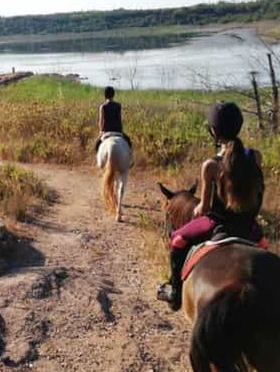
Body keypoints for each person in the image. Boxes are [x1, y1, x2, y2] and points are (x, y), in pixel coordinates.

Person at [158, 102, 265, 311]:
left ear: (214, 132)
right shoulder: (256, 157)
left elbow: (205, 209)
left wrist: (197, 209)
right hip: (249, 227)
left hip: (218, 225)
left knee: (177, 240)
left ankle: (175, 292)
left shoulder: (211, 166)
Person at [95, 86, 132, 152]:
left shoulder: (103, 106)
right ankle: (130, 160)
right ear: (113, 95)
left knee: (97, 145)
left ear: (105, 95)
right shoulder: (118, 105)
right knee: (129, 142)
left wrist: (101, 131)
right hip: (118, 130)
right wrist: (121, 130)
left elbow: (101, 121)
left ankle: (98, 160)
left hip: (107, 131)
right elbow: (119, 118)